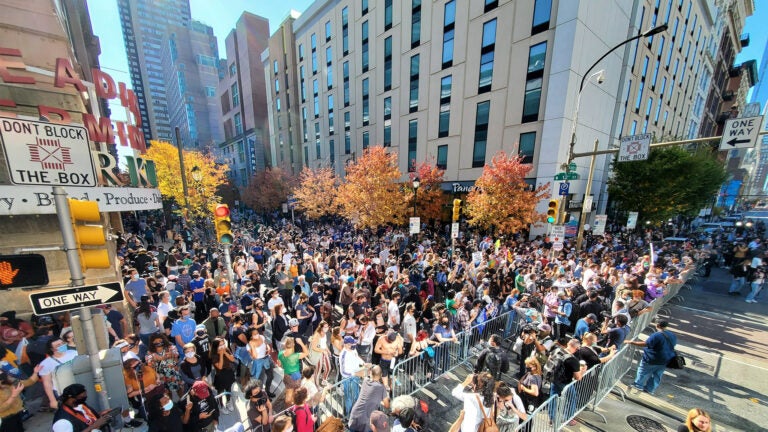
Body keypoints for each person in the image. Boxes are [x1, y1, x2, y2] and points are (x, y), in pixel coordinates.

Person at [628, 320, 677, 395]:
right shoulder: (672, 335)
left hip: (652, 358)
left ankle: (638, 385)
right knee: (657, 375)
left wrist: (631, 342)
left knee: (643, 371)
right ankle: (650, 389)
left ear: (658, 325)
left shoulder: (656, 335)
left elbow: (646, 344)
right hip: (666, 359)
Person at [51, 384, 116, 432]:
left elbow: (85, 420)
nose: (85, 398)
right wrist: (94, 426)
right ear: (71, 398)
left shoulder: (80, 404)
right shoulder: (62, 422)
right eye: (82, 397)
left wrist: (99, 416)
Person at [348, 365, 390, 432]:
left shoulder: (365, 380)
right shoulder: (381, 388)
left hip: (355, 415)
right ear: (381, 375)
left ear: (371, 373)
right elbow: (387, 405)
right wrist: (386, 390)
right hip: (367, 420)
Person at [0, 364, 41, 432]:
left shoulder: (9, 381)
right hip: (4, 419)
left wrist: (35, 372)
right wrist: (13, 395)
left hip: (17, 414)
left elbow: (29, 382)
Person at [39, 338, 77, 410]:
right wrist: (52, 400)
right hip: (63, 392)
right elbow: (47, 383)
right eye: (58, 345)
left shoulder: (74, 353)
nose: (62, 345)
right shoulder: (46, 364)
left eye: (62, 343)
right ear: (52, 349)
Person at [277, 336, 309, 405]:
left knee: (289, 391)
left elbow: (279, 365)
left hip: (286, 376)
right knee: (295, 394)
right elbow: (306, 353)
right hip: (295, 377)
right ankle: (292, 406)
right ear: (293, 345)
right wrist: (301, 343)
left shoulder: (280, 354)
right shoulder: (295, 356)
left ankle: (289, 406)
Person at [211, 337, 235, 414]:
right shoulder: (213, 355)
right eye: (220, 345)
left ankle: (228, 401)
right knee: (220, 391)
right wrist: (221, 355)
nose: (222, 346)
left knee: (228, 388)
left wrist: (225, 353)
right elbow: (220, 367)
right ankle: (221, 405)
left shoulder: (227, 350)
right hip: (220, 375)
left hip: (229, 372)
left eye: (223, 344)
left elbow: (232, 359)